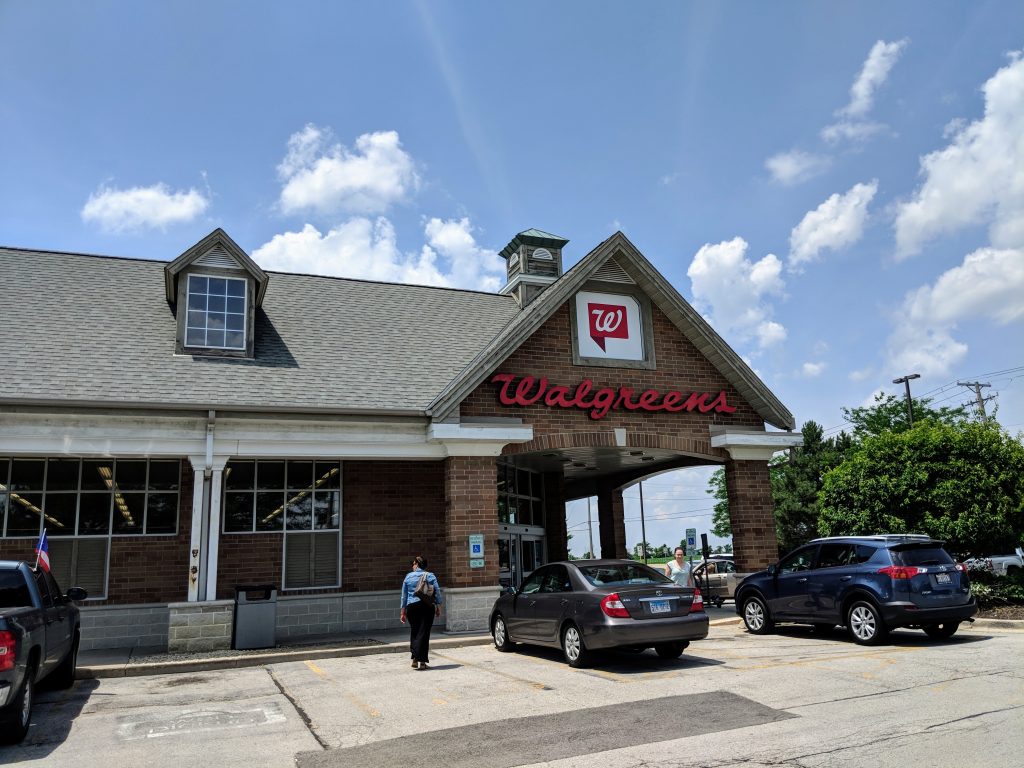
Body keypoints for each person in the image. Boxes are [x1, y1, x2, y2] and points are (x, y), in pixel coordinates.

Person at [400, 555, 443, 670]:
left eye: (413, 564)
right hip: (427, 606)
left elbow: (404, 596)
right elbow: (437, 591)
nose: (412, 566)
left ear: (417, 564)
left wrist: (403, 611)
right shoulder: (430, 575)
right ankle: (422, 662)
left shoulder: (408, 577)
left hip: (412, 607)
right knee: (424, 633)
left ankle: (415, 658)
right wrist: (438, 606)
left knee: (415, 632)